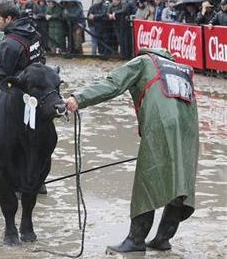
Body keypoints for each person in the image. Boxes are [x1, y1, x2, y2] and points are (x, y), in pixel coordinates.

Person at [65, 47, 199, 254]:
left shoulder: (143, 61)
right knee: (180, 181)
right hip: (189, 128)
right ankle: (163, 239)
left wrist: (79, 99)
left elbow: (113, 83)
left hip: (161, 125)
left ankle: (135, 240)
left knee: (148, 178)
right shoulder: (183, 68)